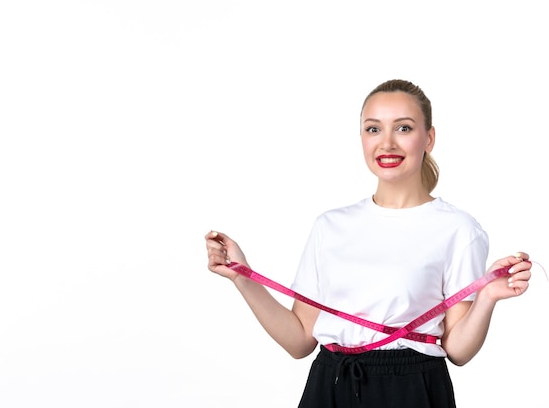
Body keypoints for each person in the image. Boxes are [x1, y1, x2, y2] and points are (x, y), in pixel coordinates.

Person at [204, 79, 532, 408]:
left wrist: (487, 297)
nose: (386, 143)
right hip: (329, 385)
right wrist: (242, 277)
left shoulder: (458, 229)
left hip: (411, 390)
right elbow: (300, 340)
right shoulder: (329, 226)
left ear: (429, 138)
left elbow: (458, 350)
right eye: (373, 129)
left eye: (403, 128)